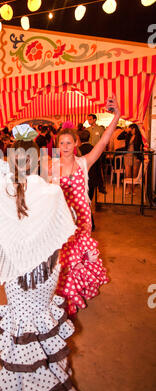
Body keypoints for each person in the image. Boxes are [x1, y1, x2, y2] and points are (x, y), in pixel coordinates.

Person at [0, 105, 77, 391]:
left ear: (10, 160)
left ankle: (23, 384)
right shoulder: (52, 191)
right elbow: (61, 235)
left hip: (17, 272)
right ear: (38, 161)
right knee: (44, 323)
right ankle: (50, 377)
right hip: (46, 272)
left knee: (22, 327)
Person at [53, 97, 121, 315]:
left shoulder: (84, 163)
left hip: (82, 221)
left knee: (78, 258)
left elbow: (102, 142)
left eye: (69, 143)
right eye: (61, 143)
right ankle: (65, 296)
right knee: (64, 259)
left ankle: (76, 293)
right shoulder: (50, 165)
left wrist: (116, 117)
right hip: (62, 222)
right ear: (57, 145)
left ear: (76, 144)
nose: (65, 147)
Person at [78, 129, 100, 231]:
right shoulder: (93, 149)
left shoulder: (79, 150)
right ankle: (91, 224)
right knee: (88, 202)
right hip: (92, 180)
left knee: (86, 203)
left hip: (83, 181)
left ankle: (90, 224)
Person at [117, 123, 144, 194]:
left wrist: (140, 157)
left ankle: (133, 190)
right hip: (127, 156)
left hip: (135, 156)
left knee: (134, 175)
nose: (131, 130)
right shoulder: (127, 136)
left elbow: (142, 147)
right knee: (128, 174)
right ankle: (129, 189)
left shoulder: (139, 136)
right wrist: (125, 131)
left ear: (135, 129)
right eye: (130, 129)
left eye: (132, 128)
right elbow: (119, 137)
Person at [86, 114, 106, 193]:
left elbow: (104, 141)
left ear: (95, 119)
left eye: (90, 119)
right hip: (90, 152)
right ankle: (91, 186)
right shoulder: (87, 129)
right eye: (88, 119)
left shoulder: (100, 129)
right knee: (90, 169)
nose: (89, 121)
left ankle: (101, 186)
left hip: (98, 152)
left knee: (99, 169)